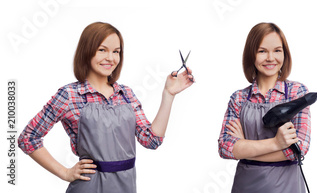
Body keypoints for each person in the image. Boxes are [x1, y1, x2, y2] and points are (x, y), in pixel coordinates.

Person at [18, 22, 194, 193]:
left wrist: (168, 95)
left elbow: (151, 140)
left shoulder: (126, 94)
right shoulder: (70, 94)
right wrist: (65, 172)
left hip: (126, 186)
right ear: (87, 51)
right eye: (102, 50)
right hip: (88, 187)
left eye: (116, 52)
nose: (111, 58)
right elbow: (28, 138)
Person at [218, 22, 311, 193]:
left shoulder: (297, 92)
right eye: (262, 51)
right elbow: (225, 147)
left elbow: (299, 150)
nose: (270, 58)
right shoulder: (238, 98)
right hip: (246, 186)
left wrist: (243, 147)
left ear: (285, 54)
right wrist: (277, 143)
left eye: (277, 50)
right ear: (251, 55)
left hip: (287, 186)